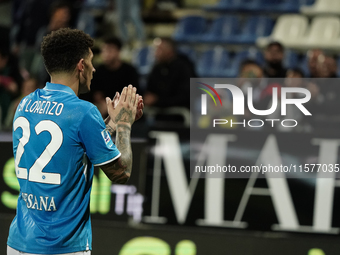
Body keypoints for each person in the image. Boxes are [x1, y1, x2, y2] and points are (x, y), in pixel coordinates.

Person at [7, 28, 144, 255]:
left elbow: (74, 143)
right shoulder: (84, 112)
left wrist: (110, 123)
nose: (94, 68)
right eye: (91, 61)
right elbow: (121, 173)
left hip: (19, 241)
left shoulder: (24, 104)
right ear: (81, 65)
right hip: (62, 246)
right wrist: (124, 126)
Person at [86, 36, 140, 117]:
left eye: (109, 51)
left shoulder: (129, 71)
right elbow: (95, 94)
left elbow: (134, 95)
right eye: (103, 51)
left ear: (118, 51)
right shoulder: (97, 71)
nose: (106, 54)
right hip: (103, 111)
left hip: (124, 110)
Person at [143, 37, 192, 109]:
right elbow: (149, 92)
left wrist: (158, 100)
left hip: (179, 115)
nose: (156, 53)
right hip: (158, 114)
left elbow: (185, 96)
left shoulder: (184, 67)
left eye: (159, 49)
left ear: (169, 51)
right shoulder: (157, 68)